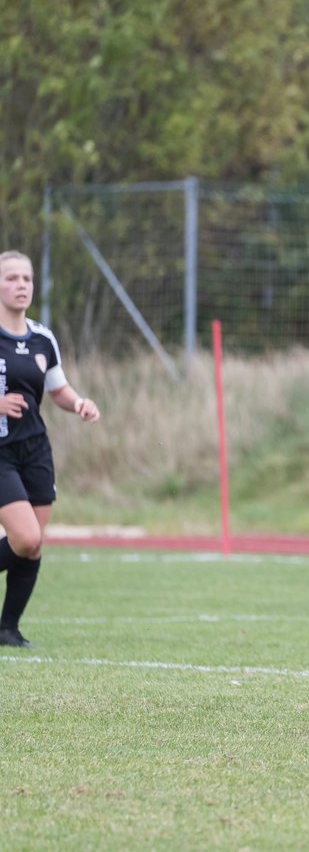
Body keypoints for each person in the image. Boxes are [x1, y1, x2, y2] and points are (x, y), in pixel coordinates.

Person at [0, 250, 101, 648]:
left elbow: (57, 388)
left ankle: (7, 628)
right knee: (24, 539)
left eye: (26, 278)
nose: (21, 285)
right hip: (0, 453)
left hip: (35, 451)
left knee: (34, 545)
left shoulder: (43, 337)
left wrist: (78, 403)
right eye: (11, 278)